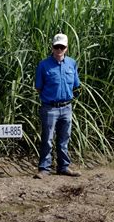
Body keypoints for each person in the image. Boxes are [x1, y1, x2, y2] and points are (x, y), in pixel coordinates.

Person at [34, 33, 81, 179]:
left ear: (66, 48)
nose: (59, 49)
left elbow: (76, 84)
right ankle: (44, 169)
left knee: (64, 138)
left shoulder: (72, 63)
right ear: (52, 47)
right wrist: (50, 99)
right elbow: (38, 87)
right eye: (56, 46)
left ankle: (63, 167)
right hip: (50, 108)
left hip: (67, 107)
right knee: (47, 139)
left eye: (62, 47)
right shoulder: (43, 65)